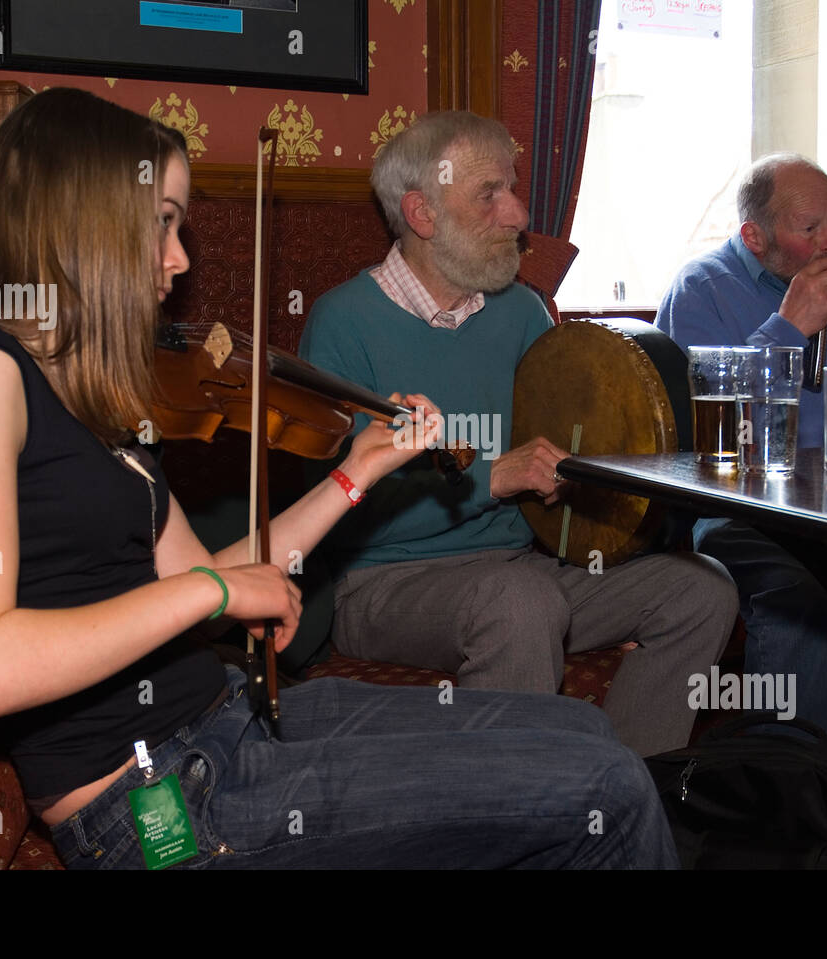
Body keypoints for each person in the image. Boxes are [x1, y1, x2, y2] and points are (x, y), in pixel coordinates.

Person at [0, 88, 675, 869]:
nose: (181, 258)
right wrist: (217, 597)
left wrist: (357, 475)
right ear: (80, 216)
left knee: (586, 736)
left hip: (228, 721)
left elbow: (202, 574)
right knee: (608, 786)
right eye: (162, 223)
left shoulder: (85, 391)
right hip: (159, 799)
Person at [299, 111, 738, 758]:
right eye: (489, 194)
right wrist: (492, 476)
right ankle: (514, 822)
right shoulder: (343, 322)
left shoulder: (522, 310)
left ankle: (621, 797)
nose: (517, 214)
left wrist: (590, 504)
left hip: (524, 570)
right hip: (386, 584)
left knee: (703, 589)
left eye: (513, 188)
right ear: (422, 214)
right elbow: (338, 503)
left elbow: (561, 459)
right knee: (522, 600)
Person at [657, 153, 827, 741]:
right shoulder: (701, 290)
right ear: (754, 236)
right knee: (797, 604)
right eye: (809, 228)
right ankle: (789, 797)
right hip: (735, 509)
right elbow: (707, 434)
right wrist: (788, 326)